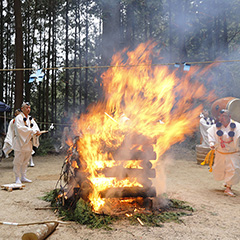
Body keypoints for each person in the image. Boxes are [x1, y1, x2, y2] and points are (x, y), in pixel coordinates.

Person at [207, 109, 240, 197]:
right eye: (220, 116)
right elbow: (211, 134)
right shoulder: (215, 127)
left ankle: (228, 187)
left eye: (224, 116)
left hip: (233, 152)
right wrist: (211, 143)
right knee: (219, 169)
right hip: (220, 152)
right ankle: (226, 182)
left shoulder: (237, 126)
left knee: (233, 169)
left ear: (229, 117)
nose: (222, 118)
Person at [12, 102, 41, 184]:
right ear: (22, 109)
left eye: (29, 108)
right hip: (20, 143)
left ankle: (23, 176)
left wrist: (37, 132)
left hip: (28, 143)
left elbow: (35, 128)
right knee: (18, 161)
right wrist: (32, 131)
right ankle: (17, 177)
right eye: (26, 108)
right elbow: (20, 129)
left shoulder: (30, 119)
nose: (28, 109)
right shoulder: (18, 118)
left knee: (26, 161)